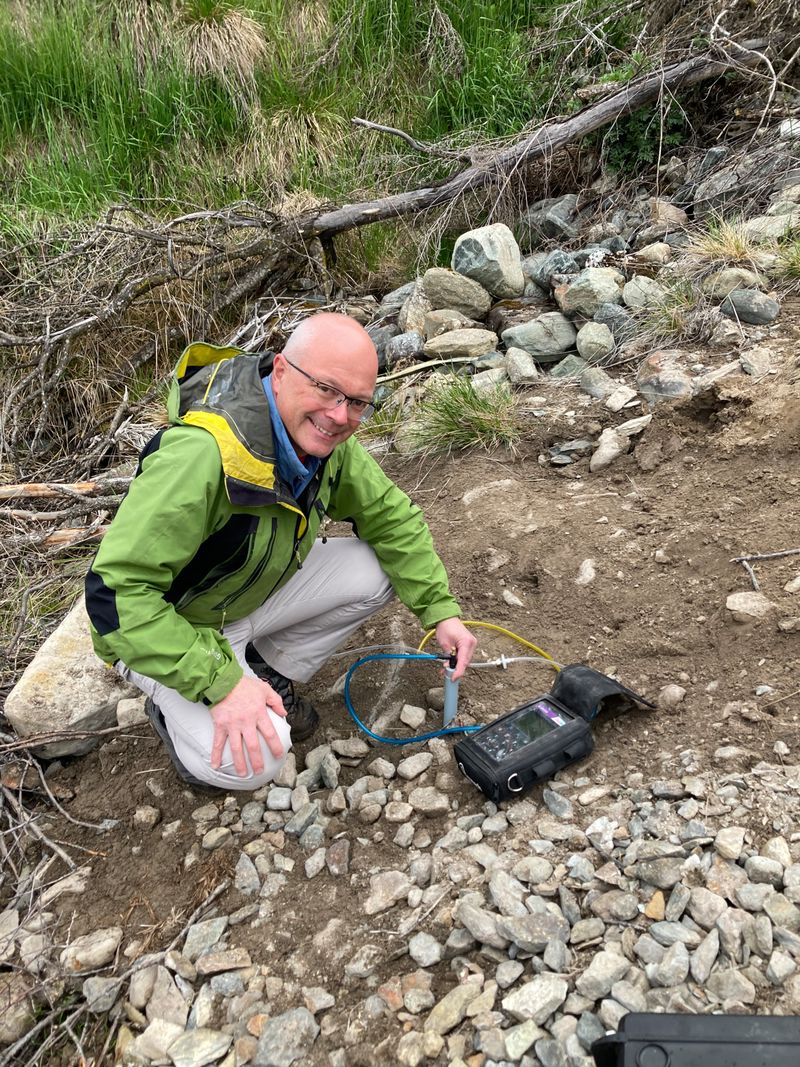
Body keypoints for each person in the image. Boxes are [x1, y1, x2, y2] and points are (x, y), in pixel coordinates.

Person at [85, 313, 476, 791]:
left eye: (356, 402)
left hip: (238, 600)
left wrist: (440, 612)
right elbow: (114, 596)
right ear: (282, 370)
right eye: (327, 390)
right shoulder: (201, 454)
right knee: (257, 763)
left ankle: (265, 668)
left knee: (377, 569)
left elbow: (393, 519)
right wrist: (221, 683)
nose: (339, 416)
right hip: (175, 628)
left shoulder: (325, 445)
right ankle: (177, 710)